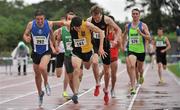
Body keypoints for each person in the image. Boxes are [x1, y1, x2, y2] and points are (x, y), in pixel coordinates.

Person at [23, 9, 66, 107]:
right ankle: (40, 94)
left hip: (46, 51)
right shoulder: (30, 25)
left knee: (42, 67)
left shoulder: (49, 24)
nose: (40, 21)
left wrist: (55, 46)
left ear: (44, 18)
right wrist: (26, 38)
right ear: (35, 19)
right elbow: (25, 34)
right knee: (37, 75)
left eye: (41, 19)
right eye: (38, 19)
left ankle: (46, 84)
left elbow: (51, 35)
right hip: (35, 52)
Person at [87, 5, 122, 104]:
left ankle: (106, 90)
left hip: (106, 45)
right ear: (92, 15)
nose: (96, 19)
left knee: (107, 72)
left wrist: (115, 40)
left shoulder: (106, 19)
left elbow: (118, 29)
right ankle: (97, 83)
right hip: (94, 44)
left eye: (97, 17)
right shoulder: (89, 20)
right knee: (94, 62)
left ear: (100, 14)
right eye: (94, 17)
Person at [70, 16, 106, 104]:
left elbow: (101, 32)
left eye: (79, 27)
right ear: (73, 26)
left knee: (94, 62)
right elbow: (61, 23)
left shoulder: (87, 25)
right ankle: (75, 93)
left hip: (90, 51)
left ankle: (97, 82)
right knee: (76, 70)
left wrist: (101, 47)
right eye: (76, 27)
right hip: (77, 52)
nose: (78, 29)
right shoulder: (70, 25)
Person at [123, 8, 150, 95]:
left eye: (136, 14)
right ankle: (133, 87)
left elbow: (149, 37)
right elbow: (124, 36)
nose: (135, 15)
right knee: (131, 66)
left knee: (140, 69)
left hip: (141, 50)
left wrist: (141, 33)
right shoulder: (128, 26)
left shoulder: (143, 25)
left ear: (139, 15)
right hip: (132, 50)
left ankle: (141, 76)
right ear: (131, 15)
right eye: (133, 14)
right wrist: (123, 44)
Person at [99, 15, 120, 98]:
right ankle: (106, 87)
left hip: (114, 55)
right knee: (107, 71)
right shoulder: (103, 31)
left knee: (113, 74)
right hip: (106, 54)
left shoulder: (116, 32)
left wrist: (115, 43)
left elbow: (119, 44)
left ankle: (113, 89)